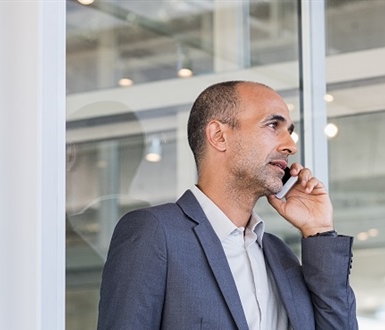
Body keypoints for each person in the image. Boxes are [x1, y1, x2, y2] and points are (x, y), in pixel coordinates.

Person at [97, 81, 357, 330]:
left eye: (288, 131)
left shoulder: (280, 255)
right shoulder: (155, 232)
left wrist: (320, 230)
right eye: (272, 125)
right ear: (219, 136)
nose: (290, 145)